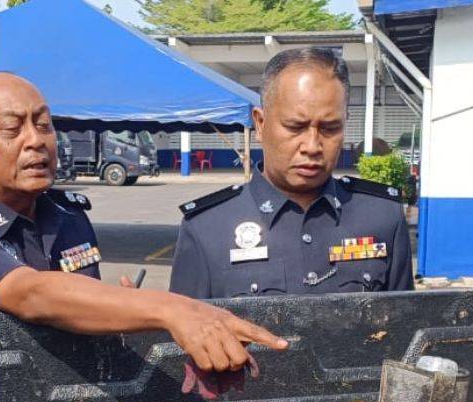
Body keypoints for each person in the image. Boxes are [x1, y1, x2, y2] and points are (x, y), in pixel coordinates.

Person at [0, 72, 289, 372]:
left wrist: (125, 306)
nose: (36, 140)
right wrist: (169, 309)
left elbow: (75, 308)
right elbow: (32, 293)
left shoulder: (69, 217)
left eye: (44, 126)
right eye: (11, 128)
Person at [169, 48, 414, 299]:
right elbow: (183, 332)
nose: (312, 146)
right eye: (295, 127)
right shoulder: (207, 227)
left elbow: (404, 327)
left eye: (330, 128)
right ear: (261, 124)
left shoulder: (382, 217)